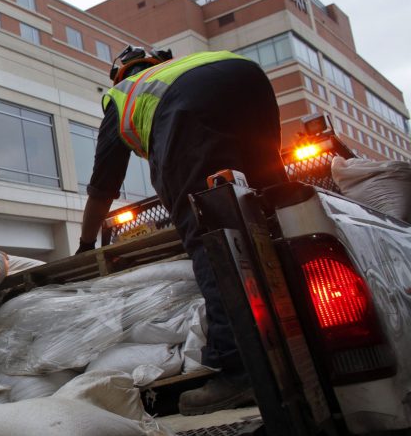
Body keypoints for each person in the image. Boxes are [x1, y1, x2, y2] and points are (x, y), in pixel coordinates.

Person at [76, 46, 288, 416]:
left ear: (118, 75)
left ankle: (240, 371)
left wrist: (85, 244)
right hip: (249, 79)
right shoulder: (180, 67)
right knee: (272, 211)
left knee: (212, 233)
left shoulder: (122, 96)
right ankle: (299, 327)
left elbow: (103, 186)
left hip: (191, 106)